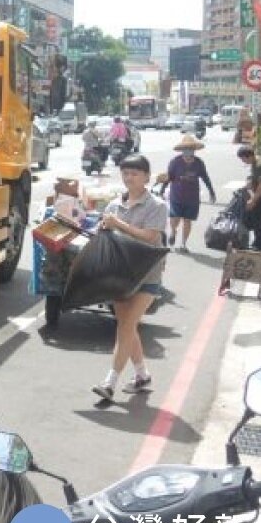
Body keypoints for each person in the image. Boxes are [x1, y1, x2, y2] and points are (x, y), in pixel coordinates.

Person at [91, 154, 168, 402]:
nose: (129, 178)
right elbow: (106, 234)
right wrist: (103, 228)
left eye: (135, 173)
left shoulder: (157, 205)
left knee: (125, 326)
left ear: (147, 177)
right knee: (127, 325)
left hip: (147, 275)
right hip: (120, 274)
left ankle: (110, 382)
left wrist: (118, 225)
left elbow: (150, 237)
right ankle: (142, 375)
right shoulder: (114, 206)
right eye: (125, 173)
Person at [162, 134, 216, 253]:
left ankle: (183, 243)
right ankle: (173, 231)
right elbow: (169, 177)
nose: (188, 155)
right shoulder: (175, 162)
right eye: (185, 151)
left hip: (192, 197)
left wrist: (211, 192)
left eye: (190, 151)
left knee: (187, 220)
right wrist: (162, 190)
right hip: (176, 195)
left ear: (194, 151)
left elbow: (205, 177)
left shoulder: (199, 163)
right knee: (175, 218)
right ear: (182, 151)